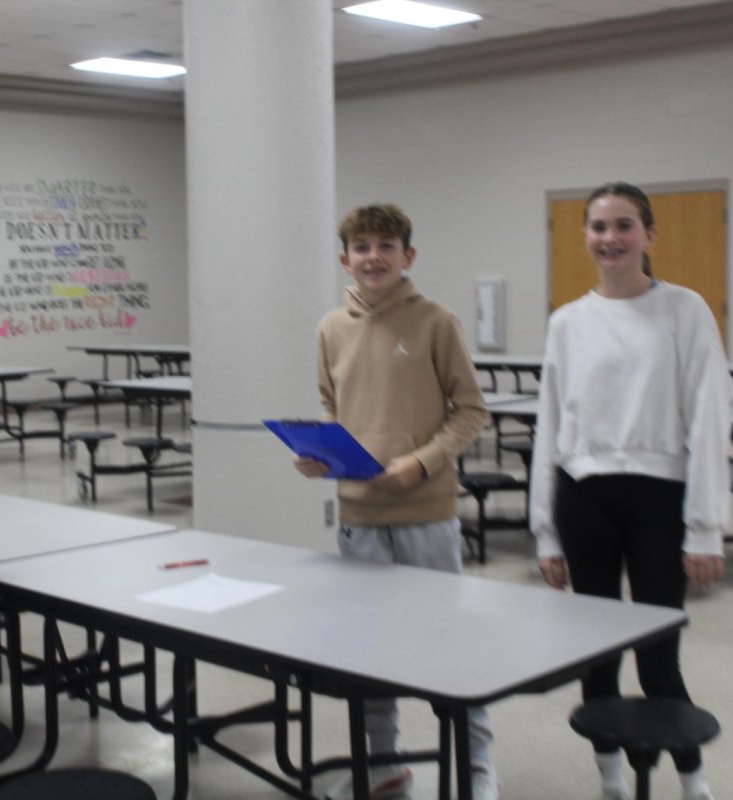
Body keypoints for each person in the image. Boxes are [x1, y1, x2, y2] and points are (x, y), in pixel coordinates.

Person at [529, 182, 733, 800]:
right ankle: (611, 778)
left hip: (658, 501)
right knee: (598, 655)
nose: (609, 238)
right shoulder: (567, 322)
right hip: (584, 499)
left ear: (648, 235)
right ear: (585, 236)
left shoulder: (685, 309)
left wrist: (705, 526)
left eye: (623, 225)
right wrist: (545, 530)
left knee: (657, 656)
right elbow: (551, 428)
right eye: (598, 227)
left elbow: (708, 419)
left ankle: (693, 782)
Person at [294, 204, 497, 800]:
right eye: (362, 246)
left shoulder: (437, 322)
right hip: (359, 515)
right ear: (345, 259)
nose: (373, 256)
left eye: (386, 245)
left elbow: (472, 411)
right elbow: (333, 407)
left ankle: (478, 764)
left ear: (408, 256)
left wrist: (422, 461)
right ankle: (384, 764)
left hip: (427, 513)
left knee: (447, 646)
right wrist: (321, 454)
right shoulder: (330, 328)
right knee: (370, 651)